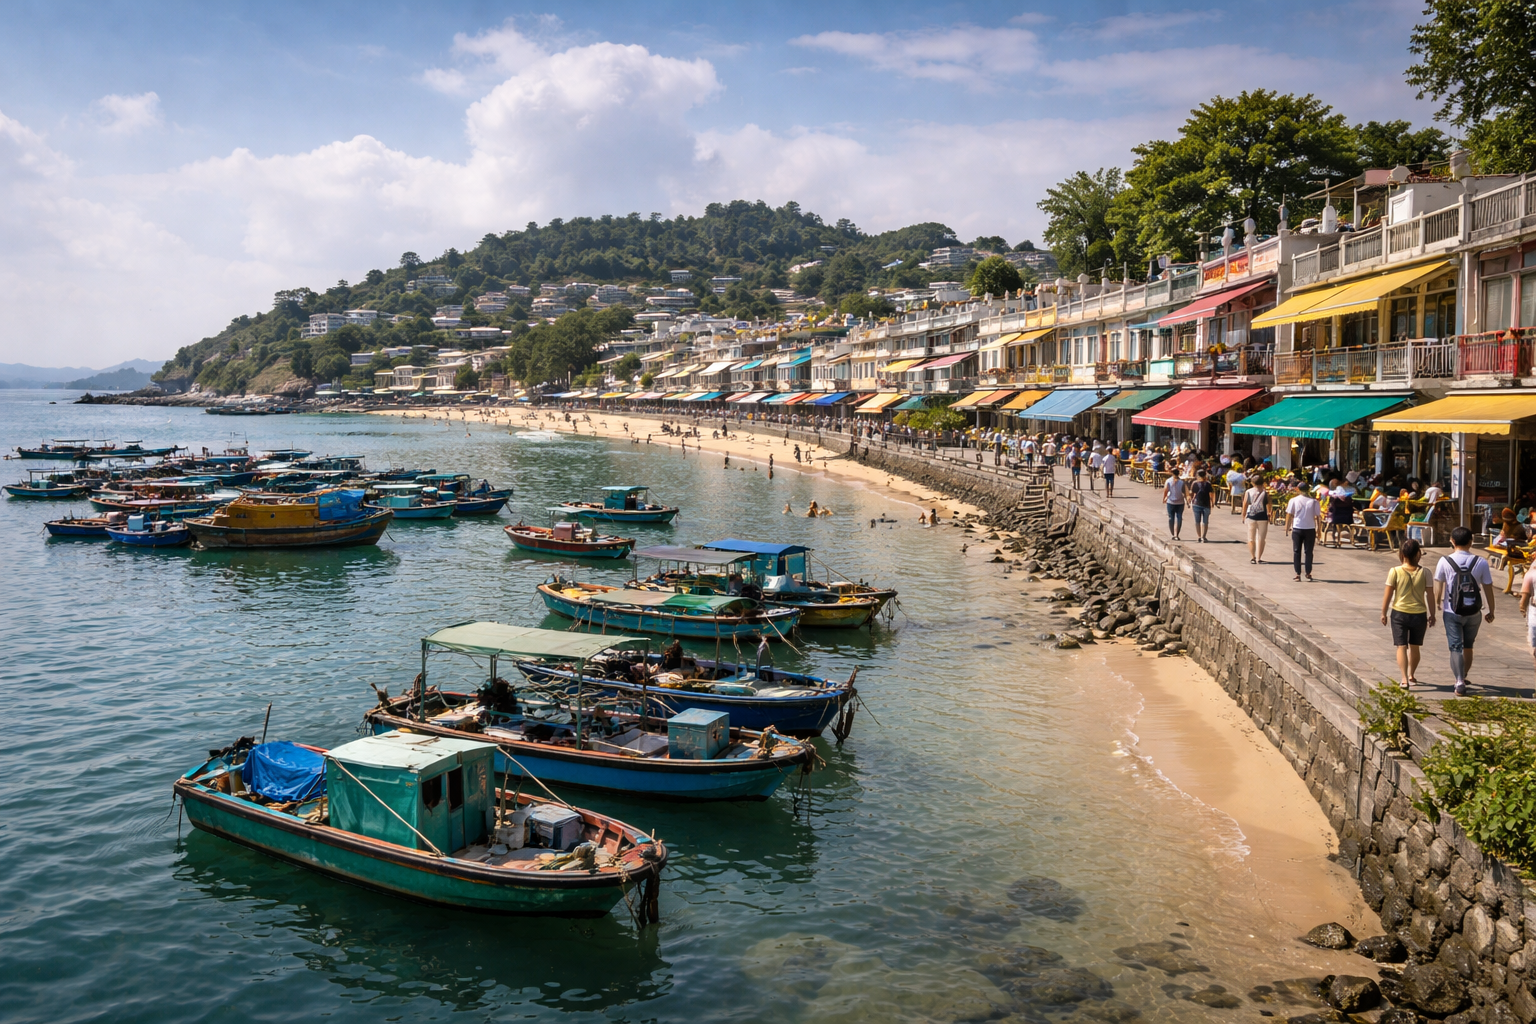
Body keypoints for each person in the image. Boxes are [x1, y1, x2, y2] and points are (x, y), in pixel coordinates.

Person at [1433, 526, 1497, 695]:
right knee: (1468, 645)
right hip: (1474, 612)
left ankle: (1459, 680)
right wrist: (1491, 610)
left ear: (1452, 541)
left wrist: (1438, 602)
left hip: (1451, 610)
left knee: (1455, 646)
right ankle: (1464, 674)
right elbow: (1488, 587)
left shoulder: (1444, 561)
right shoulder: (1481, 562)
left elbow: (1439, 584)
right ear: (1471, 542)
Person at [1381, 539, 1432, 689]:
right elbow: (1430, 595)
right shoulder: (1425, 572)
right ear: (1418, 554)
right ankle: (1411, 675)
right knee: (1415, 647)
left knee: (1401, 646)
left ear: (1402, 554)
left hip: (1399, 613)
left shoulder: (1394, 571)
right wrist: (1433, 614)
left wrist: (1383, 612)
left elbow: (1388, 594)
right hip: (1419, 614)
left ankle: (1404, 679)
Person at [1285, 483, 1321, 581]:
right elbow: (1318, 517)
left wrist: (1287, 527)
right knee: (1308, 552)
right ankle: (1308, 572)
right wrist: (1319, 530)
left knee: (1296, 551)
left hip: (1297, 528)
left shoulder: (1293, 500)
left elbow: (1289, 515)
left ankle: (1298, 573)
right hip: (1310, 528)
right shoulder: (1314, 501)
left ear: (1298, 489)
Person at [1243, 474, 1270, 563]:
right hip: (1263, 517)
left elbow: (1245, 504)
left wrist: (1243, 516)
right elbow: (1269, 505)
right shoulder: (1266, 492)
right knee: (1261, 539)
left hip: (1251, 516)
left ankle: (1253, 557)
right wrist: (1270, 515)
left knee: (1251, 538)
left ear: (1252, 483)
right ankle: (1259, 558)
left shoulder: (1248, 492)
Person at [1189, 469, 1213, 542]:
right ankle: (1204, 536)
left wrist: (1190, 499)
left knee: (1197, 521)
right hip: (1206, 504)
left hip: (1196, 503)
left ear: (1197, 475)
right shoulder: (1208, 484)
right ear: (1205, 475)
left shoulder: (1194, 483)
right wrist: (1212, 502)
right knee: (1205, 521)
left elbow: (1191, 493)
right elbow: (1211, 493)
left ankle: (1199, 536)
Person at [1163, 472, 1187, 541]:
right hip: (1180, 502)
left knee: (1171, 518)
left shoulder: (1168, 481)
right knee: (1179, 517)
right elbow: (1184, 492)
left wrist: (1164, 498)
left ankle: (1173, 533)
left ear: (1171, 474)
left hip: (1170, 502)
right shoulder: (1182, 482)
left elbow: (1165, 490)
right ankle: (1176, 534)